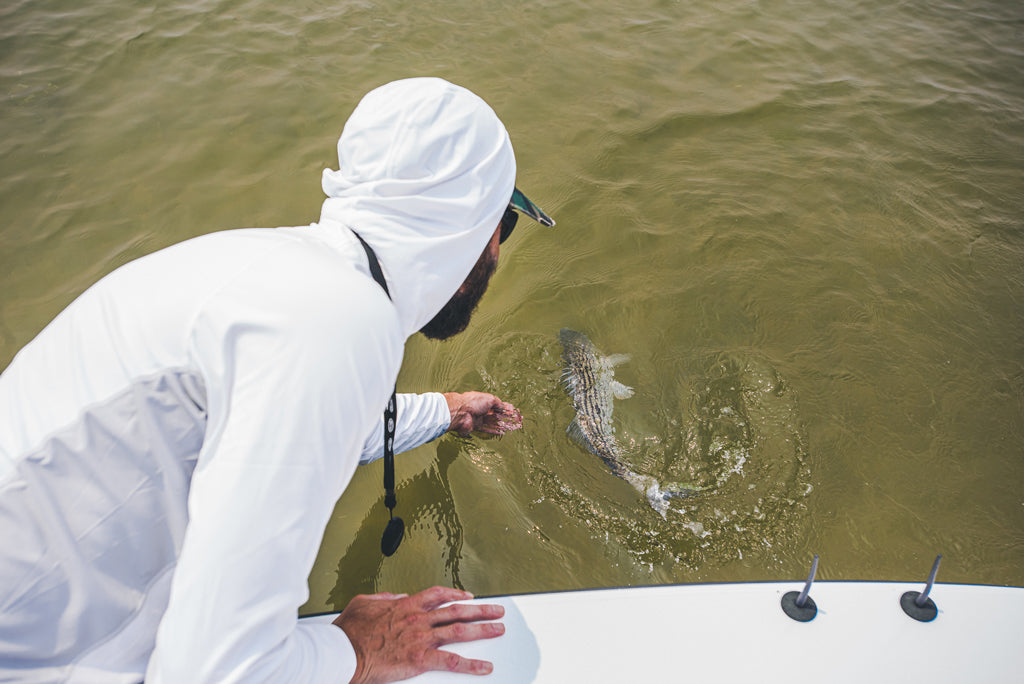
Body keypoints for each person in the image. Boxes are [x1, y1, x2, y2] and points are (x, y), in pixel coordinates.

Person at [0, 77, 554, 683]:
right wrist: (361, 651)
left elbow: (319, 430)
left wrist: (448, 410)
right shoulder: (340, 321)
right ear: (465, 225)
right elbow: (220, 674)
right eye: (503, 220)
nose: (498, 248)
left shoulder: (276, 273)